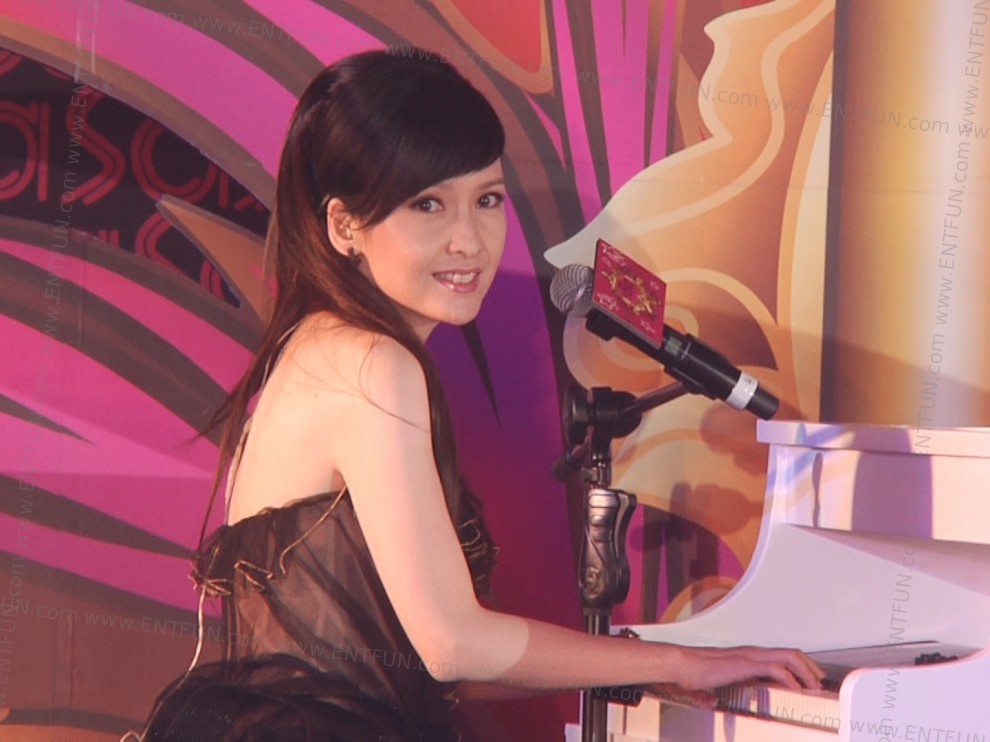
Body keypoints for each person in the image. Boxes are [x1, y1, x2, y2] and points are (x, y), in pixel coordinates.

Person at [138, 48, 822, 741]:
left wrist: (659, 667)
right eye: (428, 205)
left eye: (487, 200)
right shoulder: (370, 363)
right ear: (344, 226)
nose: (468, 240)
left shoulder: (323, 345)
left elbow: (441, 662)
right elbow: (452, 646)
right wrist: (680, 660)